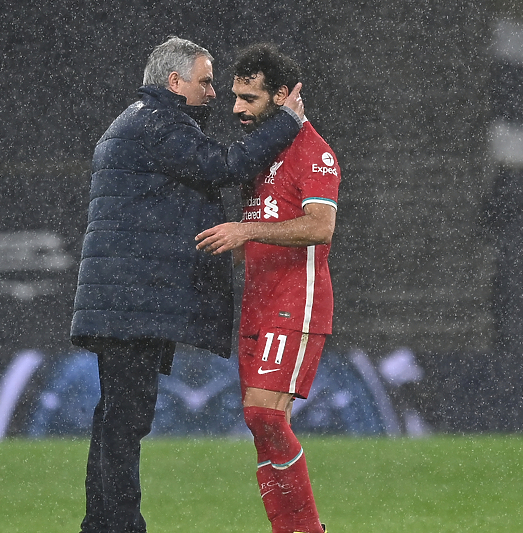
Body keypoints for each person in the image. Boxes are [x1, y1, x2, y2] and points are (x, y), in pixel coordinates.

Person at [69, 36, 305, 533]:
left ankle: (103, 523)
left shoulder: (134, 121)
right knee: (125, 421)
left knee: (115, 418)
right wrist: (287, 124)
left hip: (120, 297)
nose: (214, 93)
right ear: (174, 83)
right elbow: (223, 165)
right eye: (205, 82)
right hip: (131, 300)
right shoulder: (158, 124)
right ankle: (120, 526)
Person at [195, 43, 340, 533]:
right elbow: (253, 230)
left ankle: (308, 529)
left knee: (265, 417)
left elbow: (321, 227)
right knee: (260, 427)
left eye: (249, 99)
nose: (236, 108)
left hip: (294, 305)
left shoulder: (314, 152)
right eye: (234, 96)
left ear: (281, 96)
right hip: (256, 306)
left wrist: (245, 230)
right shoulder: (260, 155)